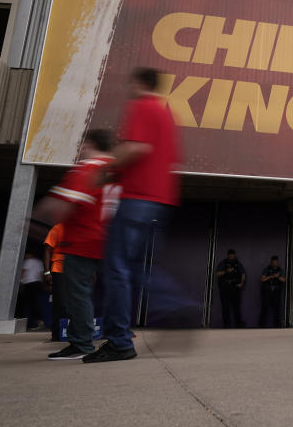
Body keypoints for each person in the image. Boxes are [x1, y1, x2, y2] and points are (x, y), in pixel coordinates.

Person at [84, 67, 180, 364]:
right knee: (137, 267)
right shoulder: (166, 115)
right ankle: (176, 303)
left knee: (117, 269)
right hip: (159, 200)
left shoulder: (140, 107)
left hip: (136, 198)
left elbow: (137, 147)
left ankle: (119, 341)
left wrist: (107, 168)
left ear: (139, 83)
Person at [39, 129, 116, 360]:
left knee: (77, 294)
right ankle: (114, 337)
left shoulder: (87, 169)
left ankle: (82, 343)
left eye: (82, 145)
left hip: (81, 241)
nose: (80, 149)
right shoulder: (115, 170)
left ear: (90, 144)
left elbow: (60, 206)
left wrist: (35, 219)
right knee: (114, 290)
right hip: (108, 240)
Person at [42, 223, 66, 341]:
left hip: (76, 272)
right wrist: (47, 271)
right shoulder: (57, 228)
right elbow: (47, 249)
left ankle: (72, 332)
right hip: (59, 270)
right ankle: (57, 334)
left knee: (75, 303)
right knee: (59, 303)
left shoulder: (80, 229)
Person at [215, 250, 246, 328]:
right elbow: (217, 274)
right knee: (225, 307)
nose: (231, 256)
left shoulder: (237, 263)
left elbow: (243, 273)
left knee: (236, 306)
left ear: (234, 255)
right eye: (230, 255)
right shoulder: (223, 263)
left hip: (235, 287)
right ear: (228, 255)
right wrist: (226, 271)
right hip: (225, 287)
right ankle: (226, 325)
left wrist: (241, 283)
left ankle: (238, 324)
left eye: (233, 255)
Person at [17, 251, 44, 329]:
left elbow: (24, 271)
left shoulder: (29, 261)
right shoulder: (39, 262)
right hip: (38, 283)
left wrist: (19, 281)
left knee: (25, 303)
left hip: (29, 284)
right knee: (35, 303)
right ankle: (39, 321)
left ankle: (25, 321)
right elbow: (42, 273)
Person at [259, 255, 285, 328]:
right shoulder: (267, 269)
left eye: (276, 262)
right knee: (265, 308)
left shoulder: (280, 270)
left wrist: (278, 277)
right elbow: (262, 279)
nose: (274, 263)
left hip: (276, 291)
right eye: (273, 262)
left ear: (277, 262)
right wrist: (271, 276)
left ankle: (277, 326)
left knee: (276, 309)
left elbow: (284, 280)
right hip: (267, 290)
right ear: (271, 262)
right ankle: (261, 326)